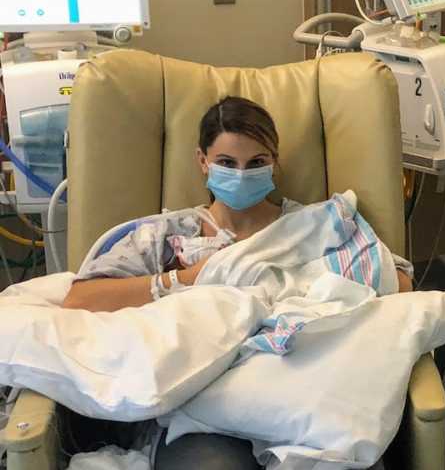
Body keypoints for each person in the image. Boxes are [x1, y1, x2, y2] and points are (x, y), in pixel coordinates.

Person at [61, 96, 412, 470]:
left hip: (305, 394)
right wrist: (180, 280)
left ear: (275, 163)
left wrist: (292, 288)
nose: (242, 174)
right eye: (227, 163)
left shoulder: (318, 227)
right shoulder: (168, 236)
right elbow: (80, 299)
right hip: (202, 417)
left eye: (256, 163)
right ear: (202, 161)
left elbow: (400, 282)